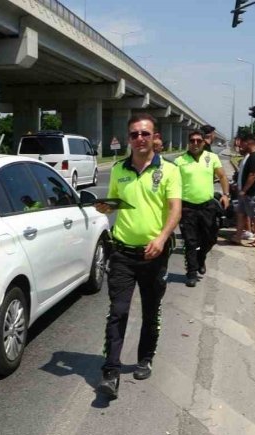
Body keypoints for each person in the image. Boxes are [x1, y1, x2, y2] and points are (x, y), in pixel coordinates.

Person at [94, 112, 182, 399]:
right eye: (134, 134)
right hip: (122, 253)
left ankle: (145, 357)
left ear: (154, 137)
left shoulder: (168, 171)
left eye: (145, 133)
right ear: (129, 138)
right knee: (118, 311)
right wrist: (104, 207)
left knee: (150, 309)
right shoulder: (119, 169)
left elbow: (174, 209)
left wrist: (162, 238)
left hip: (154, 255)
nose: (140, 139)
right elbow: (115, 203)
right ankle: (111, 370)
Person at [175, 130, 229, 287]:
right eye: (192, 140)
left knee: (210, 239)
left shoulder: (211, 158)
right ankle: (191, 272)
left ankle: (201, 258)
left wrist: (225, 195)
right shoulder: (180, 161)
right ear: (188, 142)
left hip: (207, 206)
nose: (196, 143)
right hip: (187, 208)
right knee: (190, 241)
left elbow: (223, 176)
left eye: (199, 140)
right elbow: (172, 183)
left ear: (204, 142)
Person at [232, 134, 255, 248]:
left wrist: (244, 190)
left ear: (248, 143)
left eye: (242, 143)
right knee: (241, 214)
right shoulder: (250, 156)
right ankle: (238, 237)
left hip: (254, 193)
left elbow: (253, 175)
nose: (241, 146)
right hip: (246, 193)